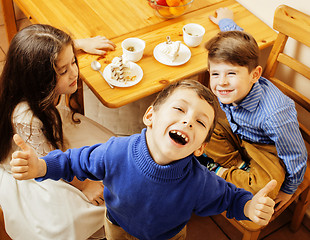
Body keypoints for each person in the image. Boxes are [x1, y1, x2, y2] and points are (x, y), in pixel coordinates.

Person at [11, 79, 277, 240]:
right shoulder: (115, 151)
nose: (187, 121)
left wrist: (249, 207)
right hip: (116, 226)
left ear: (200, 148)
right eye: (180, 109)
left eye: (200, 121)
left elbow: (228, 198)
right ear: (150, 116)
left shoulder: (200, 181)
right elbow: (74, 161)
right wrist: (43, 166)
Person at [0, 24, 116, 239]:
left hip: (53, 129)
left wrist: (80, 45)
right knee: (81, 211)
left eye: (73, 61)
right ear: (39, 79)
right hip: (36, 160)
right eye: (63, 70)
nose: (74, 72)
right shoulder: (26, 118)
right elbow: (47, 161)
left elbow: (61, 50)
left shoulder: (41, 89)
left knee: (114, 157)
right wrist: (84, 185)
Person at [198, 7, 307, 211]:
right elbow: (241, 38)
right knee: (198, 129)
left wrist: (289, 189)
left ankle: (222, 172)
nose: (221, 83)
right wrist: (225, 22)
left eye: (231, 73)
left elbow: (295, 154)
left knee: (266, 187)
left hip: (265, 147)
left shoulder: (274, 116)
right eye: (215, 74)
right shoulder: (233, 87)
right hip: (239, 132)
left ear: (255, 75)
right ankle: (239, 168)